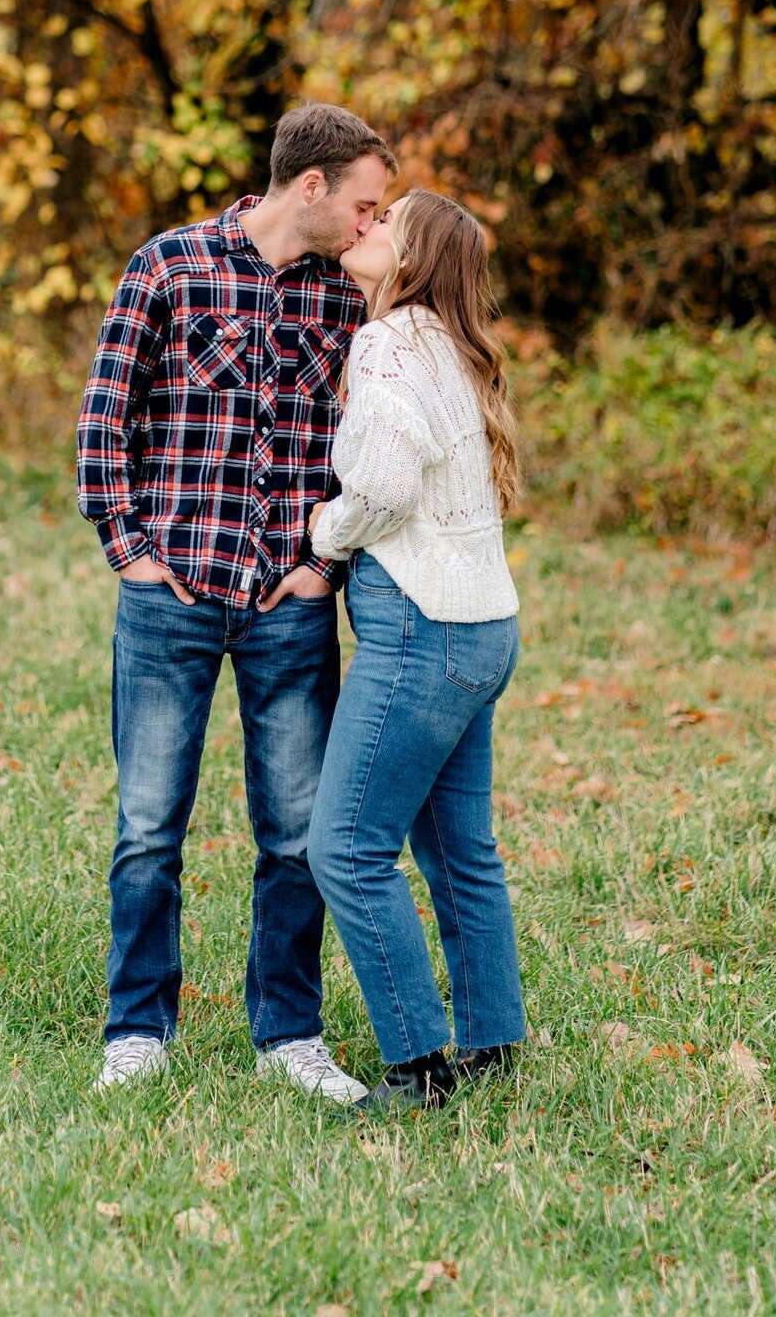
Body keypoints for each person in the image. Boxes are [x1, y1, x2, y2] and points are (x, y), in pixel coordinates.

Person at [76, 103, 397, 1100]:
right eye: (365, 202)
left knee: (297, 833)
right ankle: (138, 1029)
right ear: (313, 186)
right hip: (170, 596)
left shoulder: (349, 299)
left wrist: (322, 570)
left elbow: (372, 440)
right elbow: (104, 424)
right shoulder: (168, 265)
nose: (370, 223)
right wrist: (132, 553)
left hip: (288, 603)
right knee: (147, 826)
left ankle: (288, 1033)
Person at [307, 188, 525, 1110]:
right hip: (485, 629)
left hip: (420, 626)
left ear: (413, 260)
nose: (365, 227)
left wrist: (325, 532)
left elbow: (386, 486)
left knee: (346, 847)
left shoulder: (389, 344)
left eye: (384, 222)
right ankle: (491, 1040)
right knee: (459, 850)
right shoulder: (450, 350)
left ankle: (417, 1067)